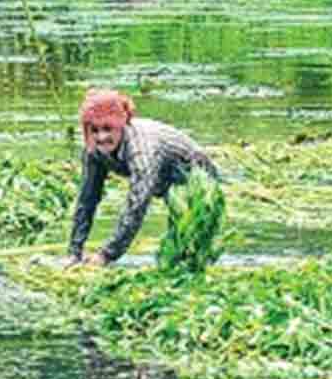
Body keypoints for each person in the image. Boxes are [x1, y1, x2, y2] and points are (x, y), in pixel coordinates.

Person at [66, 89, 218, 268]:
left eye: (108, 129)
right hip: (163, 179)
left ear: (122, 124)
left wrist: (106, 255)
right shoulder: (93, 150)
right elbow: (87, 199)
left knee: (189, 241)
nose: (101, 137)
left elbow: (137, 205)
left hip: (193, 176)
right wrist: (74, 252)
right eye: (95, 130)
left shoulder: (141, 150)